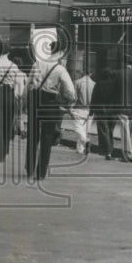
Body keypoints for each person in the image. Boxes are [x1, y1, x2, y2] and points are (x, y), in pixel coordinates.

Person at [26, 42, 76, 181]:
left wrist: (25, 101)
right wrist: (69, 101)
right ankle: (40, 172)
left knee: (32, 134)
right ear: (60, 52)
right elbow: (70, 91)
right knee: (47, 137)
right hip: (50, 103)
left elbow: (27, 84)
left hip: (35, 101)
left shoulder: (37, 64)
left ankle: (29, 168)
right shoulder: (60, 69)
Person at [0, 49, 25, 164]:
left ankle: (0, 154)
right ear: (8, 53)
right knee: (8, 124)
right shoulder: (13, 66)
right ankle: (5, 150)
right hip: (9, 95)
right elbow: (18, 85)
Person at [91, 68, 119, 159]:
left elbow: (94, 98)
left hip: (101, 111)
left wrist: (91, 111)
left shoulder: (98, 85)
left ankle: (107, 152)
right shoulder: (115, 86)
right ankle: (110, 149)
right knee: (110, 131)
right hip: (113, 112)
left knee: (104, 131)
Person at [72, 66, 95, 157]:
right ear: (91, 73)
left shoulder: (77, 82)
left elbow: (75, 97)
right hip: (89, 109)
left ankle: (85, 142)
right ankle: (80, 149)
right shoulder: (94, 84)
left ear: (82, 72)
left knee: (78, 128)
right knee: (85, 129)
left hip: (79, 108)